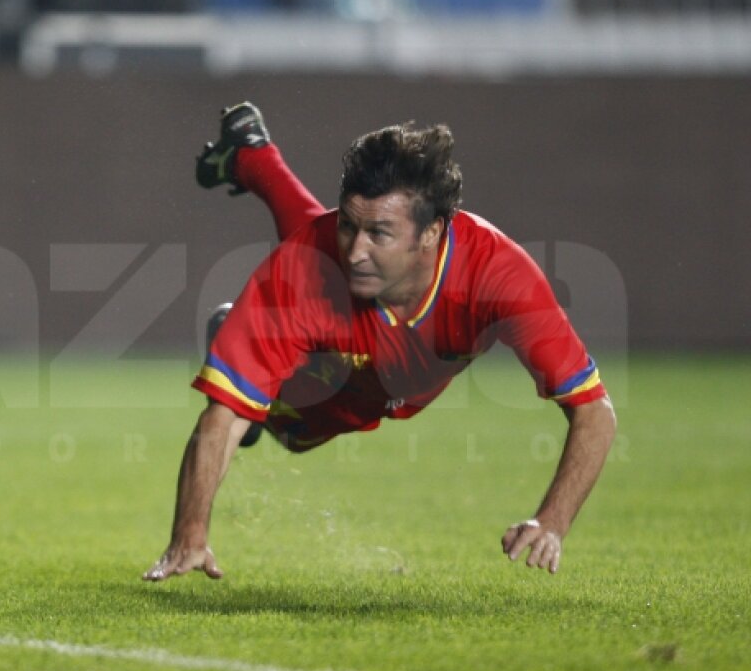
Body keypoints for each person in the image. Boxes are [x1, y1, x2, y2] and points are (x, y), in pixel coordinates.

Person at [143, 103, 616, 582]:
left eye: (380, 232)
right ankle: (252, 368)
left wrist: (551, 522)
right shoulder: (309, 263)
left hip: (390, 374)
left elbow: (594, 410)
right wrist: (190, 534)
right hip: (356, 366)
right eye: (348, 223)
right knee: (285, 419)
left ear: (431, 232)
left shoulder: (498, 277)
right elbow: (223, 415)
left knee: (316, 268)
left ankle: (252, 155)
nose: (356, 248)